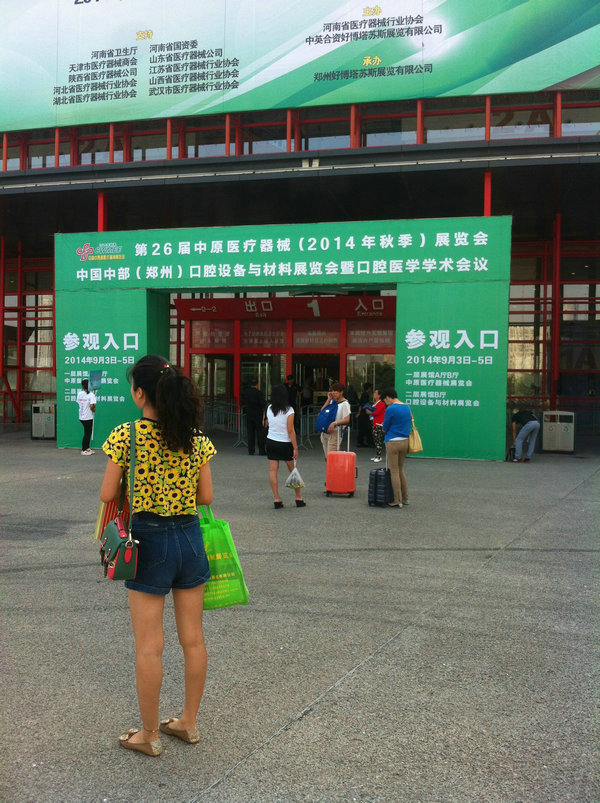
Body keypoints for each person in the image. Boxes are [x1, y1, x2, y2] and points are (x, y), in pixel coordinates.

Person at [100, 355, 216, 757]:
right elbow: (206, 497)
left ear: (140, 393)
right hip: (190, 537)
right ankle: (188, 723)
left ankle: (148, 735)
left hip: (148, 541)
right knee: (193, 639)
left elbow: (108, 493)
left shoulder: (126, 435)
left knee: (149, 645)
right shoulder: (194, 438)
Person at [264, 383, 305, 508]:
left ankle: (276, 498)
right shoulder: (289, 410)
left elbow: (266, 424)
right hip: (285, 443)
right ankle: (298, 498)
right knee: (293, 470)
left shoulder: (269, 408)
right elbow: (290, 430)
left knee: (273, 470)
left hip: (271, 441)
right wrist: (295, 447)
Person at [381, 388, 411, 508]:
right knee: (400, 469)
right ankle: (406, 498)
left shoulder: (391, 409)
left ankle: (397, 500)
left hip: (393, 442)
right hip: (405, 441)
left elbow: (385, 427)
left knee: (394, 471)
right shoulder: (406, 407)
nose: (385, 403)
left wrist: (384, 429)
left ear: (388, 397)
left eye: (385, 400)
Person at [319, 381, 351, 457]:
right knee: (327, 457)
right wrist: (328, 400)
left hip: (335, 432)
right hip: (325, 431)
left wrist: (335, 423)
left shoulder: (345, 404)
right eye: (332, 390)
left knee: (332, 457)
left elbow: (347, 419)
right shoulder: (332, 402)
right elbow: (322, 411)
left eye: (335, 391)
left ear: (341, 392)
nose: (333, 393)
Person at [241, 378, 267, 455]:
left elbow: (243, 403)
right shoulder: (258, 393)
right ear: (257, 384)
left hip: (249, 415)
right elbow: (262, 404)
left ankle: (251, 450)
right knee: (260, 433)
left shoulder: (245, 392)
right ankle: (261, 450)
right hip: (258, 415)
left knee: (250, 433)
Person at [77, 378, 97, 455]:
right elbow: (91, 406)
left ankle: (87, 448)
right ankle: (84, 449)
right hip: (88, 417)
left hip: (81, 417)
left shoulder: (80, 394)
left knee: (87, 433)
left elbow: (78, 402)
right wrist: (94, 409)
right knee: (87, 434)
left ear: (82, 386)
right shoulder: (91, 395)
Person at [367, 388, 386, 462]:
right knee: (376, 440)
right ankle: (377, 455)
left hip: (379, 424)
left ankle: (379, 456)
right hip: (375, 423)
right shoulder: (376, 403)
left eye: (375, 393)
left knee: (378, 440)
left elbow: (377, 412)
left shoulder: (381, 403)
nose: (374, 394)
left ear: (379, 395)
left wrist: (370, 412)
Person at [355, 382, 373, 447]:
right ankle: (363, 442)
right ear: (369, 388)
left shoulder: (364, 394)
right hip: (364, 414)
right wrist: (359, 413)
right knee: (365, 428)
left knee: (363, 428)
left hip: (363, 414)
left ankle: (361, 442)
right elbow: (362, 404)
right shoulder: (365, 395)